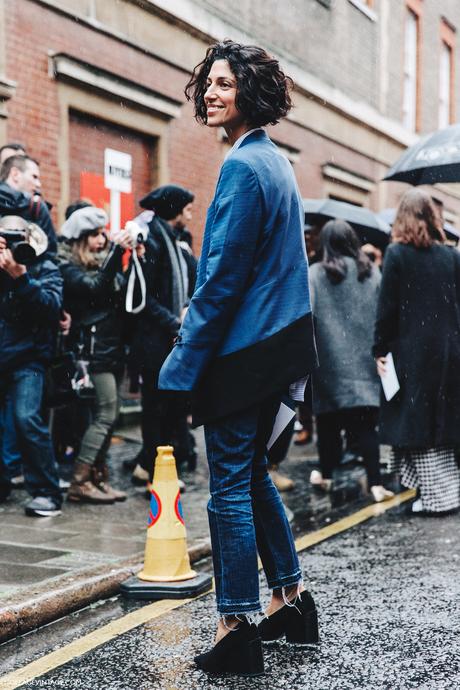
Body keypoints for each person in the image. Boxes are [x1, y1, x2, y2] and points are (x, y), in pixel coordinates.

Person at [158, 40, 318, 677]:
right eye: (209, 84)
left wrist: (178, 369)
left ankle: (235, 626)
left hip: (246, 351)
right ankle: (291, 600)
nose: (212, 93)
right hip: (276, 346)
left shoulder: (243, 168)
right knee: (250, 477)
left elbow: (220, 279)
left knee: (226, 485)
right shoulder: (274, 163)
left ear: (249, 92)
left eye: (225, 83)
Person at [373, 189, 460, 516]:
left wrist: (379, 348)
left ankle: (437, 497)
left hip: (412, 353)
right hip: (450, 352)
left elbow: (387, 308)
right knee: (445, 424)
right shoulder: (451, 256)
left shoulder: (397, 255)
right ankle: (448, 491)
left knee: (419, 427)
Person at [308, 220, 394, 503]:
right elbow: (385, 314)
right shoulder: (371, 273)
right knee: (366, 426)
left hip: (329, 363)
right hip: (364, 361)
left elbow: (307, 315)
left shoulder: (316, 274)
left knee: (328, 424)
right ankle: (377, 484)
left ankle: (326, 474)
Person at [57, 206, 131, 504]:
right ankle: (79, 481)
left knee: (109, 418)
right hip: (91, 351)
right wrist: (116, 253)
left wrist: (130, 258)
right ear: (81, 238)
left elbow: (121, 291)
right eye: (96, 235)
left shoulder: (102, 263)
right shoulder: (67, 266)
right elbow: (94, 290)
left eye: (103, 234)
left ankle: (98, 479)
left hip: (110, 348)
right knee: (104, 414)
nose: (102, 239)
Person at [127, 185, 197, 486]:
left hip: (167, 341)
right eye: (188, 209)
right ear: (175, 211)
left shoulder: (171, 239)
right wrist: (175, 322)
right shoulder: (153, 241)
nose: (191, 214)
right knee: (157, 409)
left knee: (169, 408)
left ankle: (148, 465)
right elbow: (145, 299)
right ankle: (157, 473)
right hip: (154, 343)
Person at [0, 215, 63, 516]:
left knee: (26, 419)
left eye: (17, 236)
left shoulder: (44, 265)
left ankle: (47, 492)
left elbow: (52, 309)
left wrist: (21, 277)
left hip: (29, 358)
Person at [0, 154, 57, 254]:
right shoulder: (39, 207)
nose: (38, 184)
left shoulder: (37, 207)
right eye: (34, 177)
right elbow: (50, 257)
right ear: (15, 174)